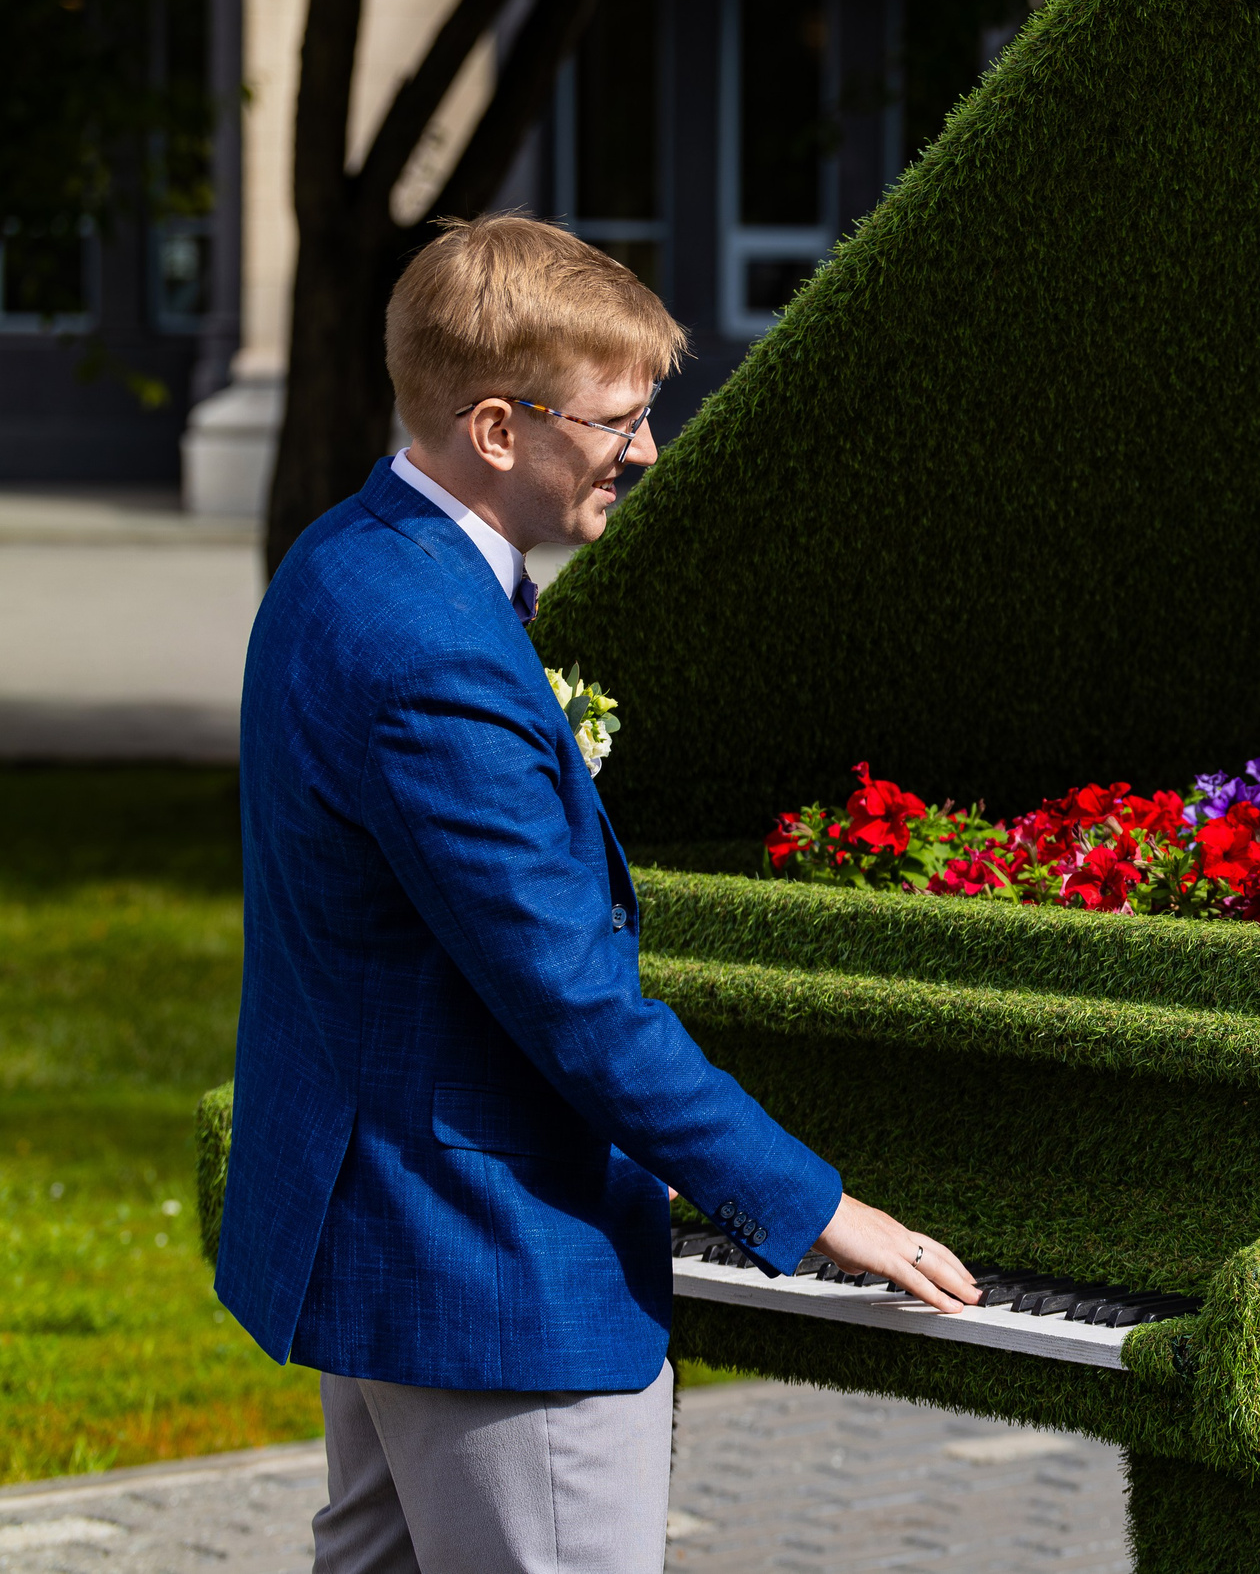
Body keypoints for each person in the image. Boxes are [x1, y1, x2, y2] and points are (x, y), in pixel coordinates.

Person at [217, 215, 980, 1574]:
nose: (644, 452)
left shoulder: (349, 557)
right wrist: (814, 1208)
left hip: (386, 1219)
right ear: (499, 429)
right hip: (491, 1260)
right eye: (617, 422)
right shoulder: (429, 655)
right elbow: (578, 1009)